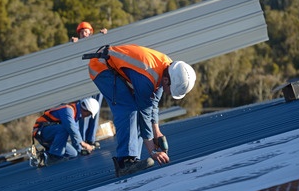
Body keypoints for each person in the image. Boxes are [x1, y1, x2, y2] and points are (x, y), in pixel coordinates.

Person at [85, 44, 196, 177]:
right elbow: (144, 112)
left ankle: (133, 160)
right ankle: (125, 162)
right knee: (128, 109)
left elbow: (153, 103)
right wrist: (152, 151)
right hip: (101, 66)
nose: (169, 94)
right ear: (166, 80)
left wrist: (157, 132)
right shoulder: (149, 77)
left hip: (110, 64)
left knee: (135, 110)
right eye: (171, 90)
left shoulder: (167, 69)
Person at [32, 97, 100, 167]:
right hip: (41, 131)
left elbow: (75, 136)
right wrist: (84, 144)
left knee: (73, 154)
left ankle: (42, 157)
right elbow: (71, 129)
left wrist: (81, 150)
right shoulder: (67, 110)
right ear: (86, 110)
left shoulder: (74, 115)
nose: (87, 117)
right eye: (89, 114)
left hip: (51, 135)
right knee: (64, 128)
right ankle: (53, 157)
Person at [71, 22, 107, 147]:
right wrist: (73, 43)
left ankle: (90, 139)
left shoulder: (95, 43)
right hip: (83, 83)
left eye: (87, 32)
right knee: (84, 111)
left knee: (94, 111)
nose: (85, 34)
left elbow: (105, 45)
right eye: (82, 32)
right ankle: (82, 140)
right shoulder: (77, 45)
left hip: (97, 80)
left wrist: (103, 35)